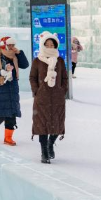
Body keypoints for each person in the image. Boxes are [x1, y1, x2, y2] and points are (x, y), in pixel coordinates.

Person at [29, 32, 68, 164]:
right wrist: (37, 91)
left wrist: (62, 90)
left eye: (52, 45)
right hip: (42, 99)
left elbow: (64, 78)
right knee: (41, 125)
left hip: (57, 99)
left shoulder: (60, 61)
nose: (50, 47)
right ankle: (44, 152)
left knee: (57, 124)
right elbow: (32, 77)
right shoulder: (37, 60)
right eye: (47, 44)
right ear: (43, 45)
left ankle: (51, 143)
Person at [0, 36, 29, 146]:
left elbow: (25, 65)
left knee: (12, 113)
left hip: (12, 86)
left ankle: (8, 138)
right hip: (0, 87)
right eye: (9, 45)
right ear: (3, 45)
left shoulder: (15, 55)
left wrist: (19, 53)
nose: (11, 47)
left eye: (13, 45)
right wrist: (0, 72)